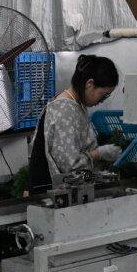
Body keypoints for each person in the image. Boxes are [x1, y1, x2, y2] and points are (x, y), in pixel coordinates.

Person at [28, 54, 120, 193]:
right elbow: (69, 165)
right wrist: (98, 154)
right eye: (103, 94)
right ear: (89, 84)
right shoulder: (65, 110)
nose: (102, 100)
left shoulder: (75, 105)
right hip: (50, 192)